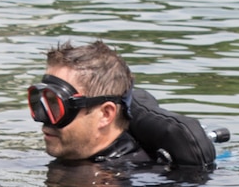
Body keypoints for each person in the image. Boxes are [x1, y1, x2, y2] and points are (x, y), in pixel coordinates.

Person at [27, 40, 223, 176]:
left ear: (105, 114)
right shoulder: (78, 156)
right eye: (40, 101)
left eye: (57, 105)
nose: (42, 118)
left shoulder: (121, 183)